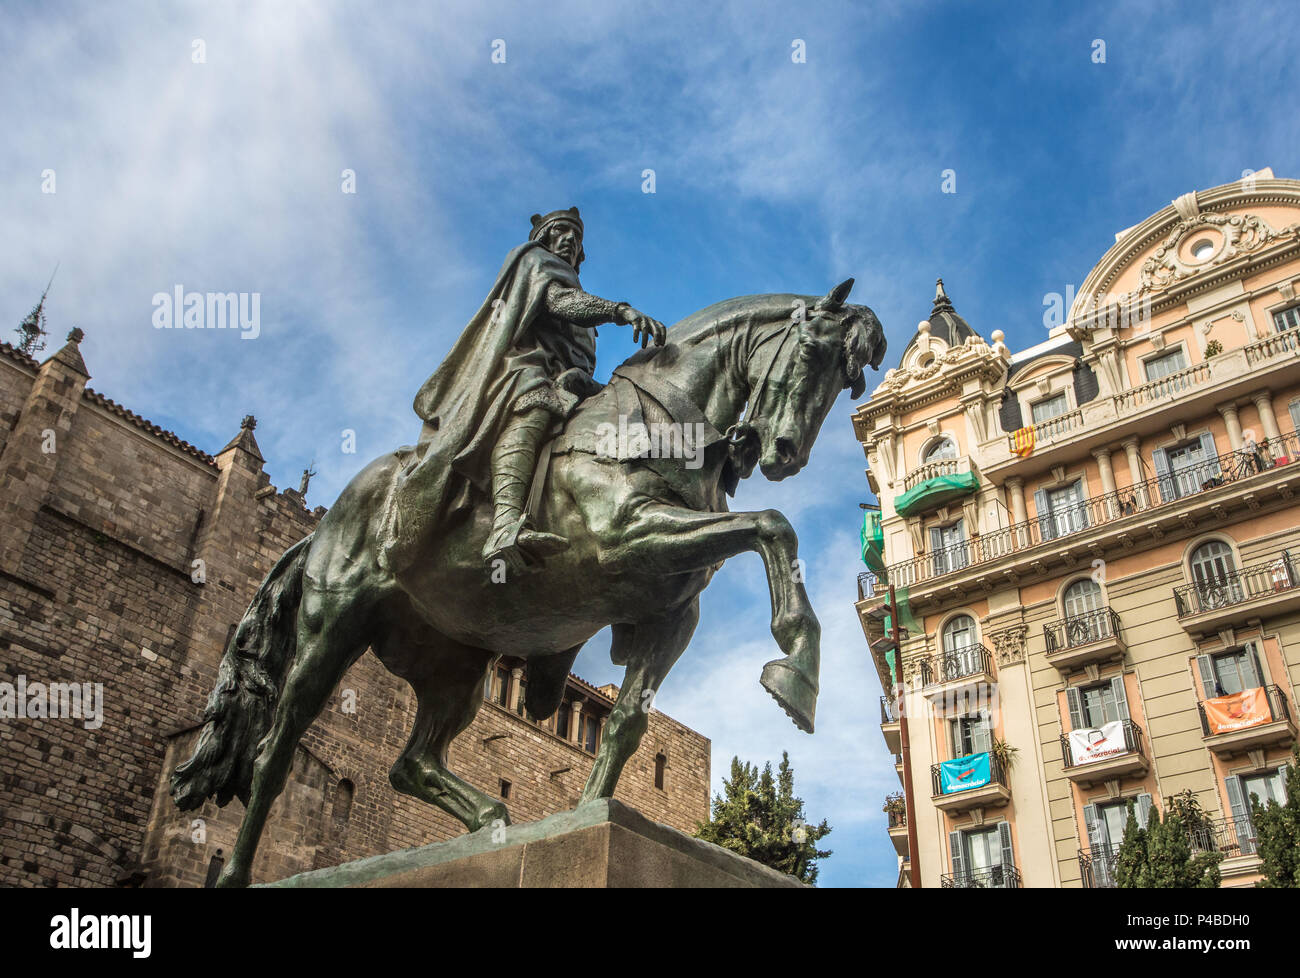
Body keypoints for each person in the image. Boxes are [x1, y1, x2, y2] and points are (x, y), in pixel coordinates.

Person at [379, 207, 666, 574]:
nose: (568, 240)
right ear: (545, 237)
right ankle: (504, 527)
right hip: (521, 367)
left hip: (564, 380)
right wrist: (619, 311)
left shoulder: (573, 289)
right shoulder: (537, 262)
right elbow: (559, 302)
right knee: (536, 404)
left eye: (575, 237)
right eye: (560, 232)